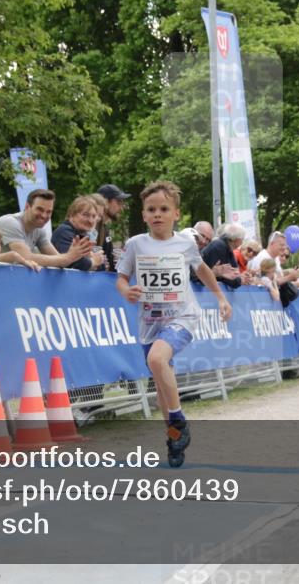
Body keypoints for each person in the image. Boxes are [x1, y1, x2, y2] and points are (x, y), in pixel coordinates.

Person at [116, 181, 231, 468]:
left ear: (176, 214)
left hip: (182, 316)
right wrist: (126, 291)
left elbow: (202, 269)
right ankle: (174, 438)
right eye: (151, 209)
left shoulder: (185, 243)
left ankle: (179, 420)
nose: (157, 214)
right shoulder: (135, 244)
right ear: (143, 215)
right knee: (162, 389)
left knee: (157, 359)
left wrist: (220, 297)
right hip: (149, 322)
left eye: (164, 209)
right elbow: (121, 277)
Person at [0, 188, 93, 268]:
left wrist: (74, 254)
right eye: (40, 209)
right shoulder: (10, 223)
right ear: (27, 207)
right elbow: (26, 257)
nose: (44, 215)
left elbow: (59, 261)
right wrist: (68, 257)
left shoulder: (39, 230)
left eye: (49, 212)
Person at [51, 196, 106, 271]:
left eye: (93, 216)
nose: (90, 220)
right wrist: (93, 262)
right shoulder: (64, 232)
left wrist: (94, 261)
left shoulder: (83, 234)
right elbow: (74, 262)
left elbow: (101, 265)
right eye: (85, 215)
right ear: (72, 215)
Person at [95, 184, 131, 272]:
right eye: (119, 202)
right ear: (106, 202)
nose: (122, 208)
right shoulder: (90, 228)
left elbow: (109, 261)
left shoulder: (104, 229)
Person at [199, 223, 245, 288]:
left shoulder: (227, 248)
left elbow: (234, 272)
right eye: (242, 240)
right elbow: (227, 277)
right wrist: (240, 280)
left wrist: (240, 277)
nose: (242, 243)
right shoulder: (220, 246)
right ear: (238, 240)